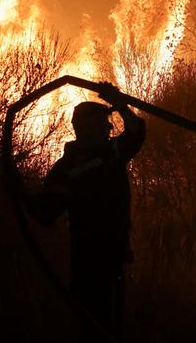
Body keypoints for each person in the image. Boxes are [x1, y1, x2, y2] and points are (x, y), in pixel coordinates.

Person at [29, 82, 146, 341]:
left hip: (113, 257)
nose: (108, 129)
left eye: (107, 124)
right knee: (94, 327)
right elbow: (45, 213)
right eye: (102, 124)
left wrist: (119, 103)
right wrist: (21, 192)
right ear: (85, 128)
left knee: (110, 328)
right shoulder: (68, 168)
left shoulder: (111, 153)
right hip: (88, 262)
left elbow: (136, 132)